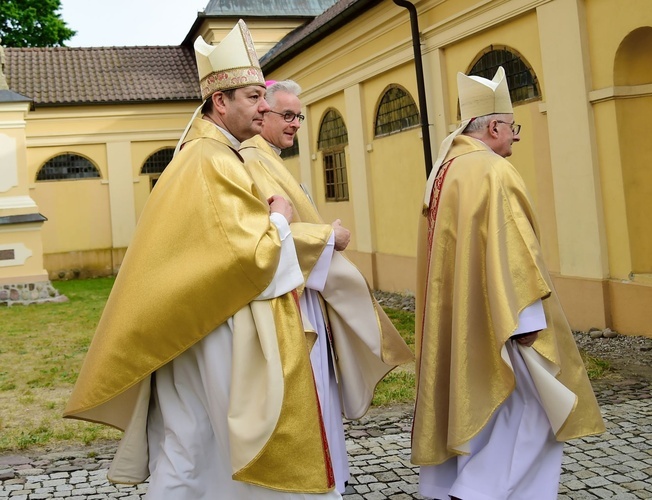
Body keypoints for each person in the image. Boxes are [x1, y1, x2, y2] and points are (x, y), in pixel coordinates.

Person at [65, 20, 344, 499]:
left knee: (191, 444)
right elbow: (250, 258)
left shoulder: (210, 153)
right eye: (255, 97)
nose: (264, 107)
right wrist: (279, 218)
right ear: (221, 101)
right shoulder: (211, 160)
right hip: (215, 327)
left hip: (198, 320)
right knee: (211, 443)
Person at [410, 67, 605, 500]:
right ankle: (479, 492)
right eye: (512, 127)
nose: (515, 136)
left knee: (472, 405)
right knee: (536, 412)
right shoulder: (493, 171)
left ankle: (457, 487)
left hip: (463, 316)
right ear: (494, 126)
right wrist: (527, 319)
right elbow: (512, 247)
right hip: (503, 317)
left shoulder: (446, 170)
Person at [240, 79, 415, 493]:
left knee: (321, 398)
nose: (296, 124)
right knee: (309, 398)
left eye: (299, 116)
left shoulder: (269, 158)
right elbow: (264, 236)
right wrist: (325, 237)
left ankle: (327, 477)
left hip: (304, 295)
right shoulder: (252, 159)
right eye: (288, 115)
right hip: (289, 306)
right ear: (262, 113)